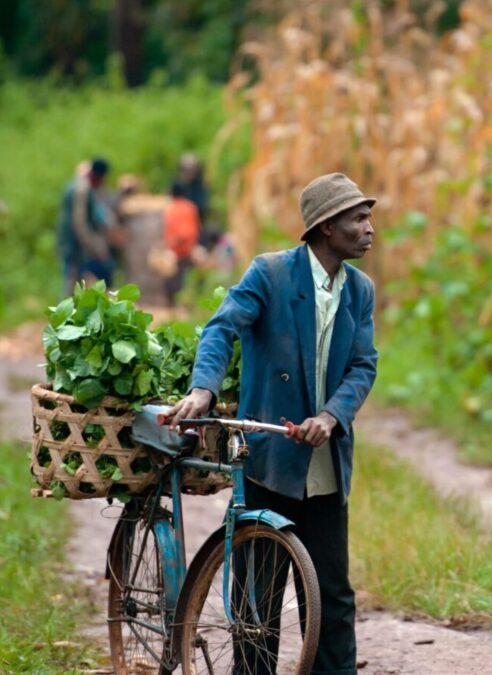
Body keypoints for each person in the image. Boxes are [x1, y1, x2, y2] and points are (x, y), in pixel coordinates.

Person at [160, 172, 378, 674]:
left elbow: (363, 365)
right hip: (272, 461)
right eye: (358, 218)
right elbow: (222, 327)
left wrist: (331, 415)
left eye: (369, 218)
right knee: (258, 599)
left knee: (333, 598)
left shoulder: (359, 291)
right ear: (326, 227)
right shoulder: (272, 274)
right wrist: (202, 387)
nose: (369, 228)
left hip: (324, 467)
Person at [57, 158, 114, 294]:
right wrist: (93, 245)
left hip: (72, 242)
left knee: (76, 280)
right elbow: (79, 223)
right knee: (72, 281)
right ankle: (64, 312)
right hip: (72, 244)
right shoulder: (82, 189)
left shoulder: (79, 185)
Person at [162, 183, 201, 306]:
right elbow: (197, 228)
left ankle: (172, 305)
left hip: (176, 250)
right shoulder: (191, 207)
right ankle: (191, 302)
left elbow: (181, 233)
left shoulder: (170, 209)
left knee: (171, 277)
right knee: (190, 278)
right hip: (190, 248)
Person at [172, 152, 211, 244]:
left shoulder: (200, 187)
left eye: (192, 170)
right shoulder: (177, 185)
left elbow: (201, 207)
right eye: (186, 170)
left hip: (195, 227)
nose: (189, 173)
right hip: (177, 230)